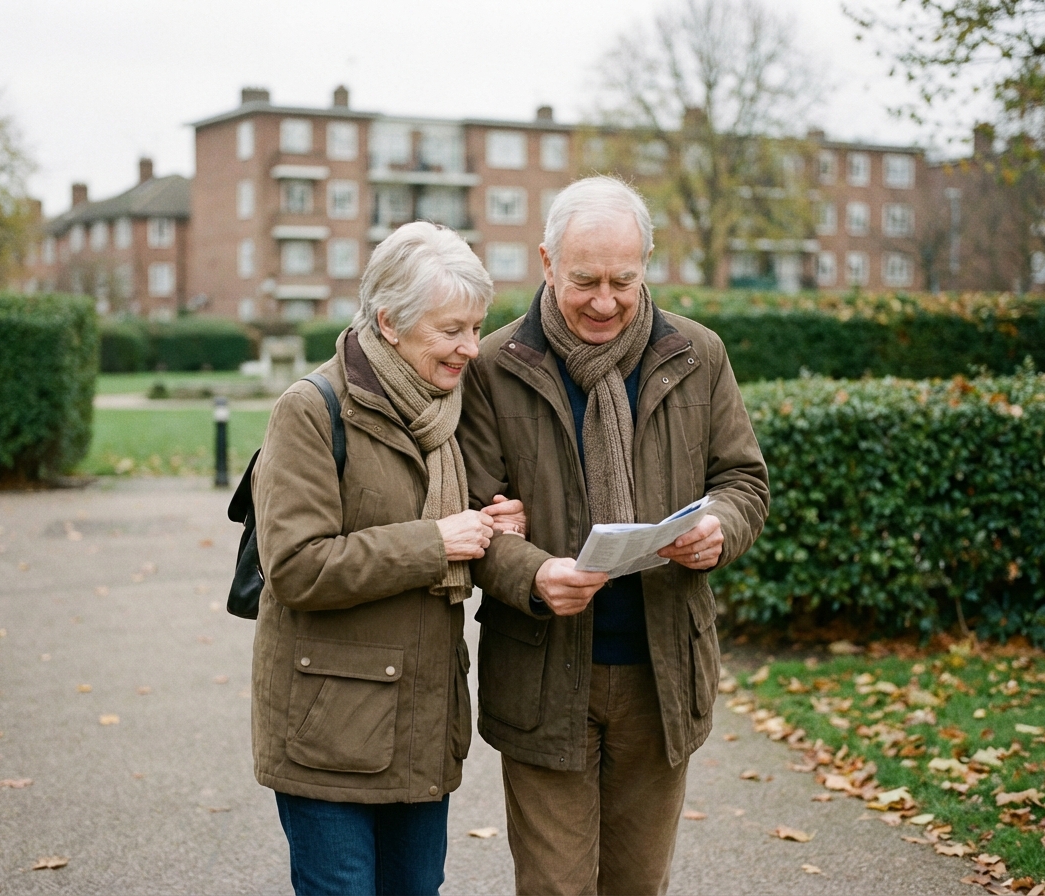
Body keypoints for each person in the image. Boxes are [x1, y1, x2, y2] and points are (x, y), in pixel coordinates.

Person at [458, 176, 770, 896]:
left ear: (647, 264)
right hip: (542, 675)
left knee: (637, 885)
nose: (604, 301)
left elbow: (744, 482)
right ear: (545, 263)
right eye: (584, 280)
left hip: (662, 675)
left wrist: (721, 527)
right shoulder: (496, 368)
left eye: (623, 281)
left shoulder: (698, 353)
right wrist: (532, 573)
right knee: (554, 887)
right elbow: (474, 516)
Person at [251, 221, 525, 896]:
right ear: (390, 323)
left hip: (422, 723)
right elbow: (295, 566)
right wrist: (434, 543)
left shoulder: (450, 410)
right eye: (452, 329)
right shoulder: (312, 411)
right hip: (329, 732)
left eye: (476, 327)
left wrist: (496, 525)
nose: (470, 347)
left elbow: (462, 528)